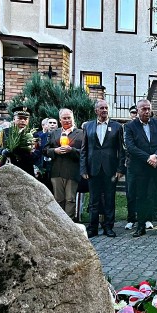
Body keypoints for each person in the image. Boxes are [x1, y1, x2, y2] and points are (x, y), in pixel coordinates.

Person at [124, 99, 157, 238]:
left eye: (148, 109)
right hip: (140, 168)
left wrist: (156, 156)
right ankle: (140, 227)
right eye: (143, 109)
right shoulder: (130, 126)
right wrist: (148, 158)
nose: (146, 111)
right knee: (141, 197)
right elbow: (131, 146)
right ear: (137, 110)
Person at [80, 100, 126, 238]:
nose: (104, 110)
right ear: (96, 111)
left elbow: (121, 150)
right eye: (101, 108)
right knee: (94, 199)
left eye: (106, 107)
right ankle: (93, 227)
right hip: (93, 169)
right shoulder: (88, 126)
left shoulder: (117, 127)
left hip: (110, 169)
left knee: (110, 199)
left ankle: (108, 227)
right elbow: (84, 149)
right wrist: (83, 169)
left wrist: (120, 169)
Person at [45, 108, 84, 219]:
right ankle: (59, 223)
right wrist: (55, 151)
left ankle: (69, 223)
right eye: (64, 118)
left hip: (72, 171)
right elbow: (45, 150)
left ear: (73, 118)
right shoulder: (54, 133)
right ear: (60, 120)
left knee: (70, 199)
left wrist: (71, 150)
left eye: (69, 118)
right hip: (56, 171)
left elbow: (85, 152)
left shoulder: (81, 133)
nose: (67, 120)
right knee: (58, 199)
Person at [0, 106, 39, 177]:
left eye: (25, 119)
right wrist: (3, 151)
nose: (23, 121)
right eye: (20, 118)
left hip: (26, 169)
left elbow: (37, 152)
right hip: (7, 167)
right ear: (14, 119)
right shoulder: (4, 132)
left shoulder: (33, 134)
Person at [125, 105, 139, 230]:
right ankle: (131, 219)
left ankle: (145, 219)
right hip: (131, 164)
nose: (135, 114)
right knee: (131, 193)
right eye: (133, 112)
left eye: (136, 112)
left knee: (145, 193)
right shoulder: (128, 127)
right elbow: (128, 146)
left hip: (145, 164)